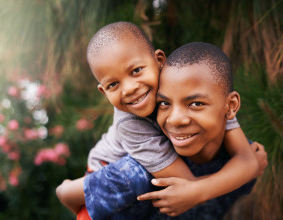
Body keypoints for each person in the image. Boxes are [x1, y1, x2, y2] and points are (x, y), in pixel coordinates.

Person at [55, 22, 266, 219]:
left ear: (159, 61)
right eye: (113, 85)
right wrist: (244, 173)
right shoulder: (129, 122)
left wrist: (246, 169)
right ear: (103, 91)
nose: (129, 89)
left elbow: (245, 158)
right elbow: (186, 184)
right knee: (140, 176)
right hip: (106, 171)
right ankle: (71, 192)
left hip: (150, 175)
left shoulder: (188, 84)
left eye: (136, 71)